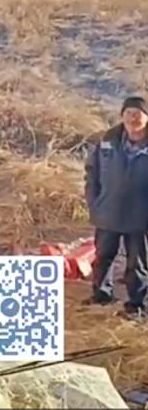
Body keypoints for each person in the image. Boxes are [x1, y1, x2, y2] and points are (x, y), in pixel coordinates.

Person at [83, 96, 148, 319]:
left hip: (140, 217)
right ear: (122, 115)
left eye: (138, 114)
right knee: (103, 256)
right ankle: (102, 295)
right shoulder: (107, 141)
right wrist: (94, 202)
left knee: (137, 263)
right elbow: (92, 172)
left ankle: (137, 305)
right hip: (108, 212)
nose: (133, 118)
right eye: (128, 113)